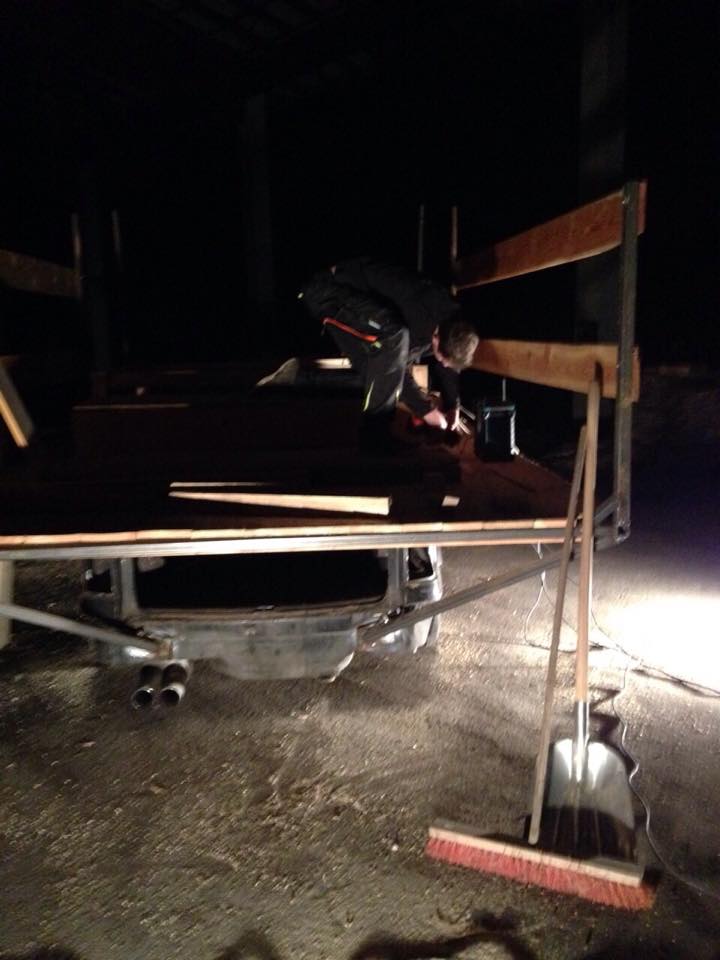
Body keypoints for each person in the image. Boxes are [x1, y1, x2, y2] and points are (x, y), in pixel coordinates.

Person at [299, 257, 479, 438]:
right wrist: (424, 409)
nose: (445, 365)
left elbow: (444, 366)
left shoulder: (450, 327)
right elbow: (396, 367)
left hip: (366, 320)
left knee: (381, 360)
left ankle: (374, 433)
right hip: (328, 293)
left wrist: (453, 405)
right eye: (444, 359)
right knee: (395, 338)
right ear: (436, 339)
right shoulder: (420, 304)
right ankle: (375, 435)